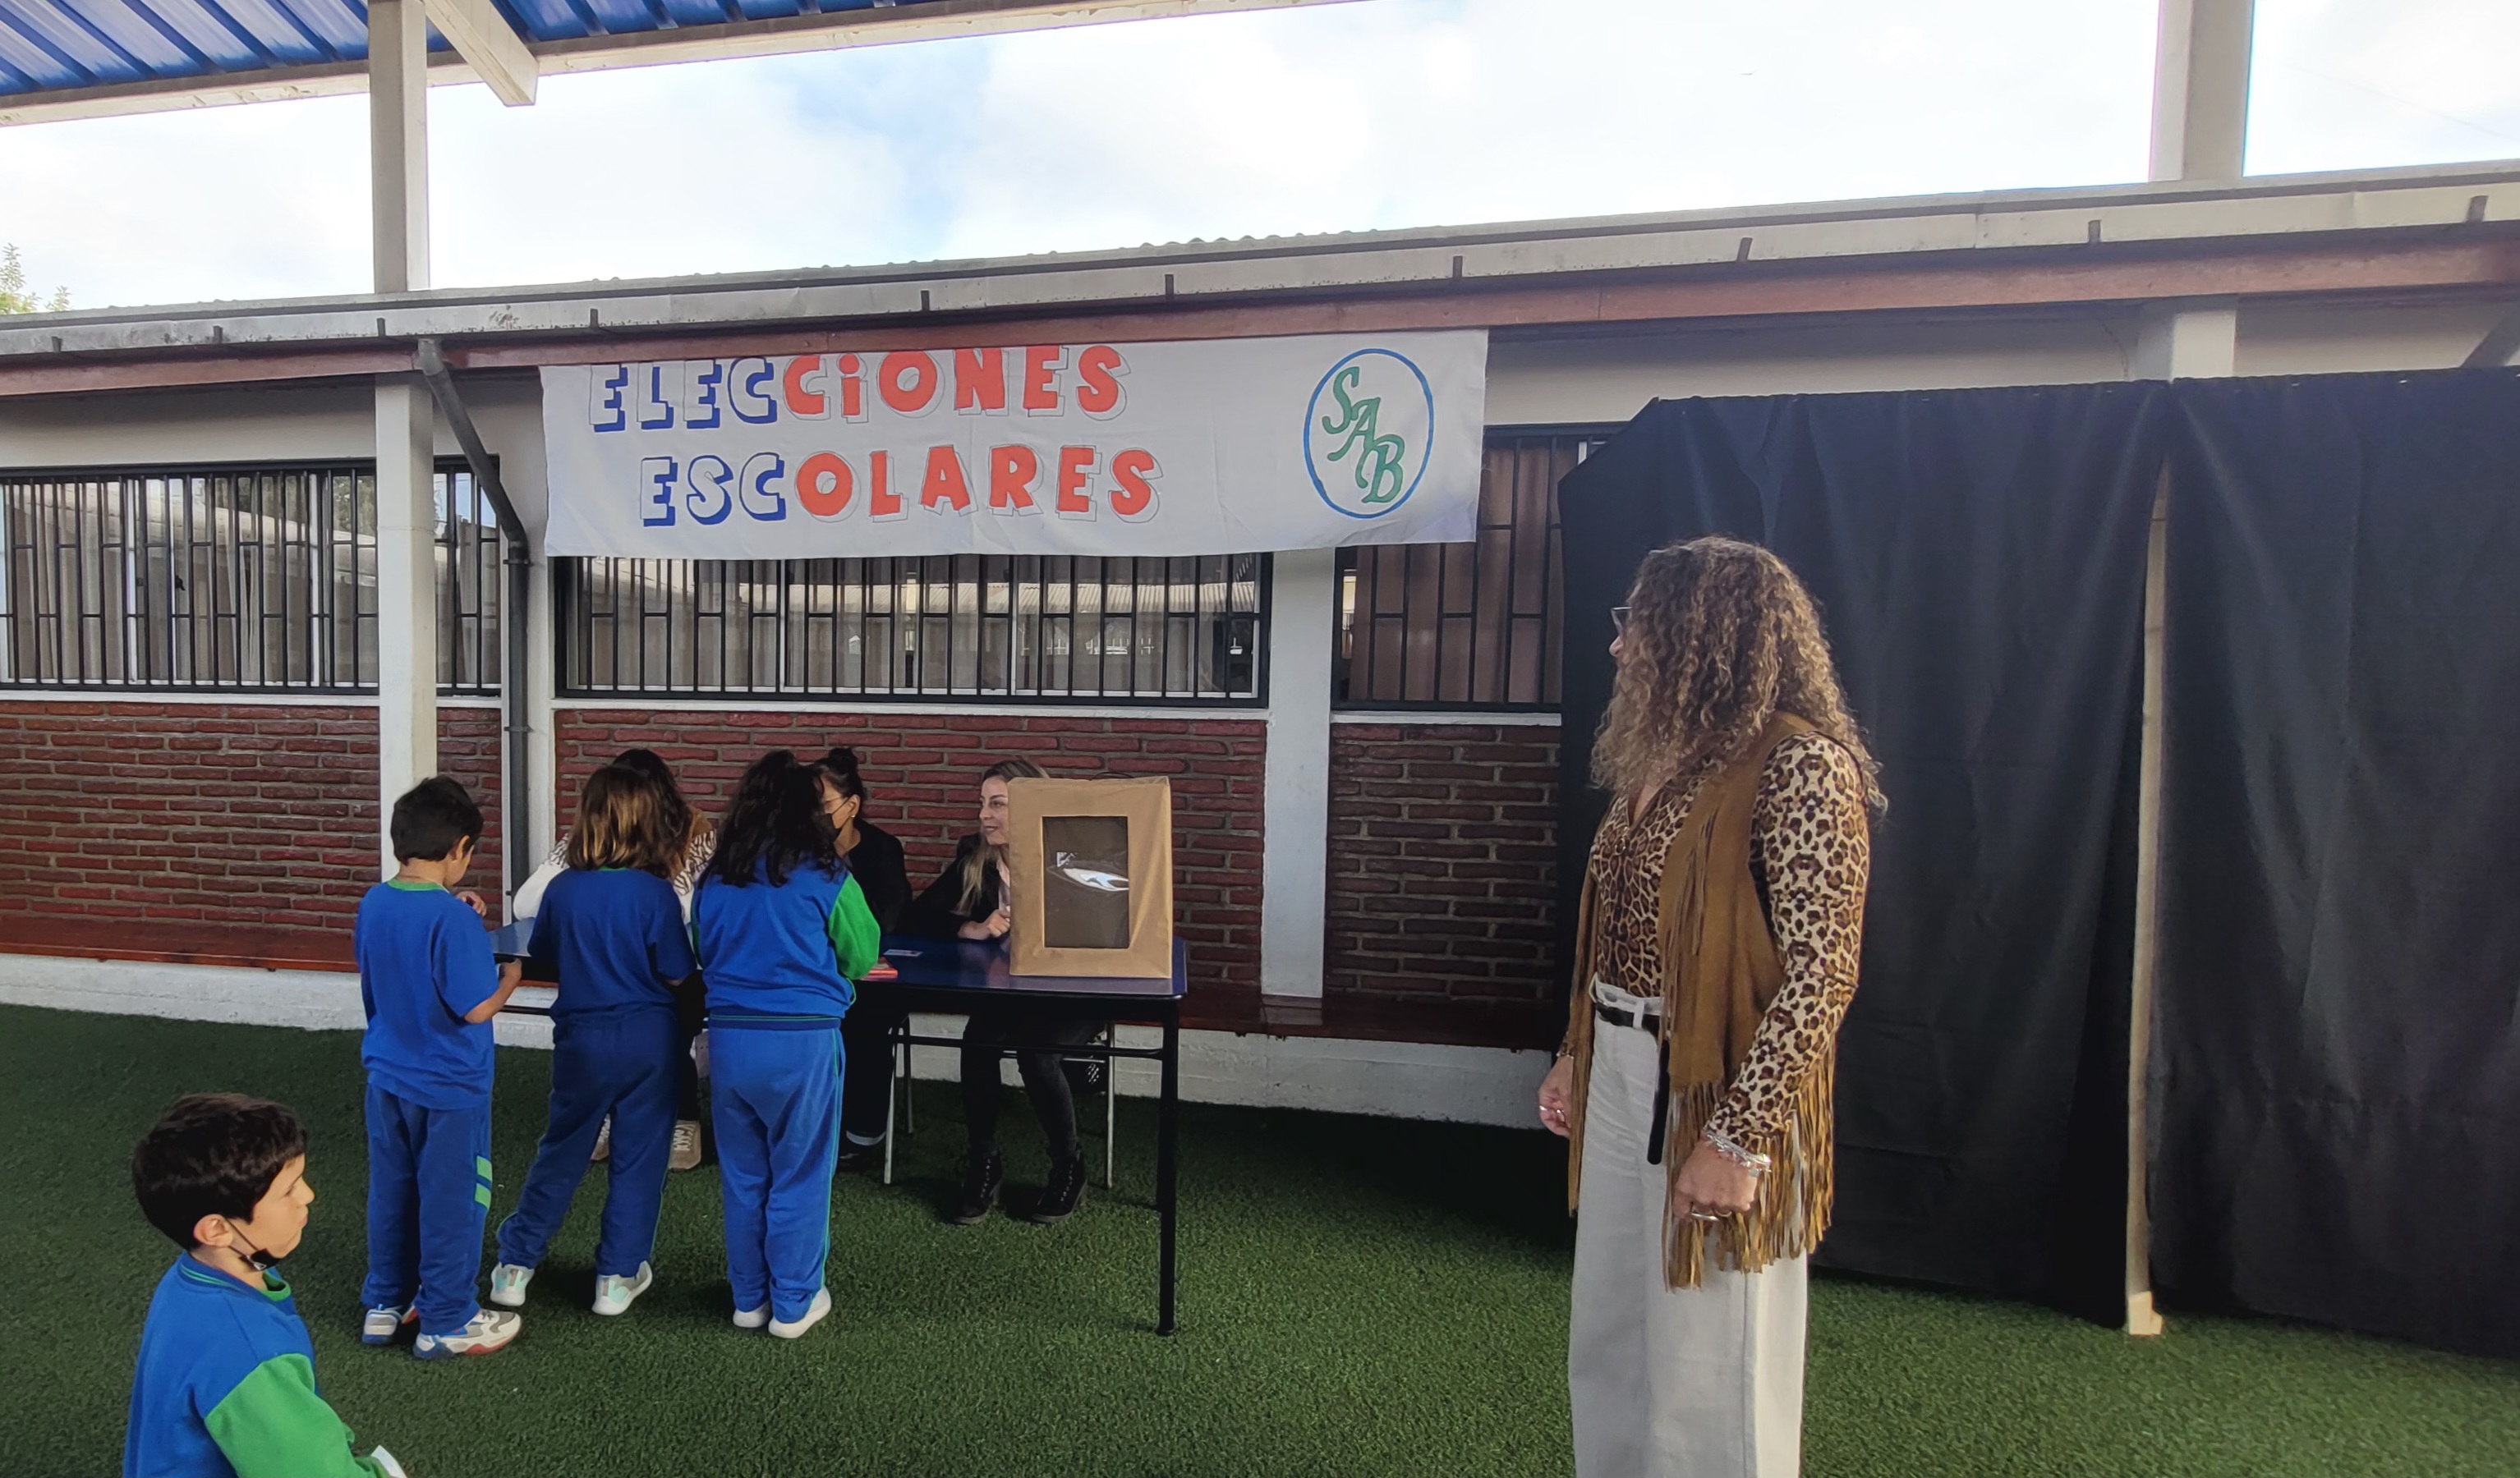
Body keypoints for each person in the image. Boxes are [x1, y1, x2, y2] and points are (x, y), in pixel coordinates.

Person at [1535, 538, 1879, 1478]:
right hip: (1619, 1068)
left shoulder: (1800, 767)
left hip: (1717, 1089)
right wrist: (1577, 1048)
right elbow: (1612, 932)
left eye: (1632, 624)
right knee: (1608, 1333)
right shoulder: (1659, 759)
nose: (1615, 648)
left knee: (1707, 1360)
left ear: (1699, 633)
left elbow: (1821, 974)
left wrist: (1738, 1138)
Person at [487, 764, 698, 1319]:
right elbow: (678, 973)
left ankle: (515, 1266)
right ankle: (616, 1276)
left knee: (562, 1150)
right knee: (639, 1159)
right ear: (649, 824)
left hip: (581, 1037)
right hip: (651, 1039)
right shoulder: (655, 895)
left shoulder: (563, 890)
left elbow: (548, 949)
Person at [692, 750, 884, 1339]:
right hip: (803, 1045)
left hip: (727, 1044)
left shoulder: (714, 877)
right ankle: (795, 1304)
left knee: (745, 1175)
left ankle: (749, 1299)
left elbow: (702, 950)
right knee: (801, 1173)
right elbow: (863, 954)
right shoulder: (829, 877)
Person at [125, 1093, 407, 1478]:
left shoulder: (185, 1282)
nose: (308, 1196)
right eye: (288, 1190)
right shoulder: (250, 1350)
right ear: (218, 1229)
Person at [356, 776, 526, 1360]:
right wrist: (509, 977)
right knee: (453, 1197)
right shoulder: (452, 922)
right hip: (450, 1087)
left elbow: (396, 968)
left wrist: (460, 918)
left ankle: (386, 1302)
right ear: (459, 847)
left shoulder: (375, 901)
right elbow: (473, 1006)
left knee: (393, 1190)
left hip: (387, 1076)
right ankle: (448, 1318)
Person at [900, 757, 1105, 1227]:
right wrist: (970, 927)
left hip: (1075, 996)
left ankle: (1068, 1166)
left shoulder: (1073, 855)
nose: (984, 816)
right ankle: (984, 1162)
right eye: (982, 804)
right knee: (978, 1042)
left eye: (998, 804)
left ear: (1034, 808)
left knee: (1037, 1054)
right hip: (1010, 995)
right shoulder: (976, 856)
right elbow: (916, 917)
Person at [515, 747, 716, 1173]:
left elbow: (684, 906)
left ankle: (684, 1115)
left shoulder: (695, 828)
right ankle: (604, 1115)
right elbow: (526, 903)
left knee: (678, 1000)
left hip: (676, 962)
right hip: (623, 968)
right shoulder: (587, 837)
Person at [820, 746, 917, 1173]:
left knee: (867, 1023)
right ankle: (814, 1125)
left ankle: (864, 1130)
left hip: (873, 977)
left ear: (851, 806)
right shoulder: (798, 851)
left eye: (821, 805)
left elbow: (889, 919)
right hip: (818, 975)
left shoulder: (882, 849)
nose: (811, 815)